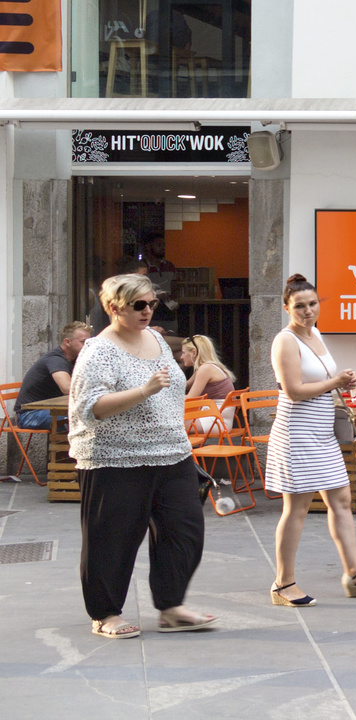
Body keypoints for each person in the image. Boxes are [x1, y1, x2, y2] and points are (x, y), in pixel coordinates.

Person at [68, 273, 215, 639]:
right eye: (139, 305)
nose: (148, 310)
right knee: (112, 538)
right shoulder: (98, 351)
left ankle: (171, 606)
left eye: (152, 303)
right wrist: (143, 390)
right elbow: (92, 407)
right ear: (114, 307)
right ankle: (105, 614)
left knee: (184, 530)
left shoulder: (155, 338)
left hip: (172, 453)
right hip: (115, 458)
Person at [264, 275, 356, 606]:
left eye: (313, 304)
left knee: (342, 500)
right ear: (287, 307)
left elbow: (319, 381)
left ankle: (354, 573)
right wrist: (335, 381)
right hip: (297, 431)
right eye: (300, 306)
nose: (307, 311)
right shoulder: (285, 340)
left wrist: (343, 384)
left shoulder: (315, 333)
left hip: (320, 432)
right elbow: (292, 391)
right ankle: (282, 584)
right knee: (297, 508)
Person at [14, 321, 93, 430]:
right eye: (83, 342)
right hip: (29, 415)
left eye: (89, 342)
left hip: (50, 410)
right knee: (82, 420)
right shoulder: (56, 359)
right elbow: (67, 388)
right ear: (67, 342)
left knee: (93, 416)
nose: (88, 346)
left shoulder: (75, 359)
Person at [181, 335, 235, 435]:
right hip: (215, 418)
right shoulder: (208, 367)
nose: (181, 357)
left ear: (194, 353)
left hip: (217, 421)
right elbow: (185, 385)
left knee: (170, 424)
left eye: (184, 353)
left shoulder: (205, 369)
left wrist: (165, 399)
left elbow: (190, 398)